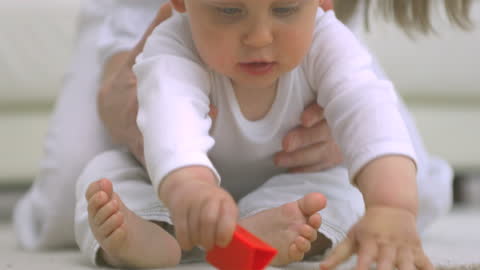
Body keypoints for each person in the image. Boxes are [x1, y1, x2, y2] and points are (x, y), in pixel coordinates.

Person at [73, 0, 470, 269]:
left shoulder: (327, 40)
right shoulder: (173, 42)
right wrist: (190, 190)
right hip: (177, 190)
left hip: (285, 186)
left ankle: (254, 236)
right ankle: (157, 236)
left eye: (283, 7)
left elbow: (368, 110)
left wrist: (392, 206)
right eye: (229, 9)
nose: (259, 36)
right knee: (102, 175)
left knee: (339, 193)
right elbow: (169, 116)